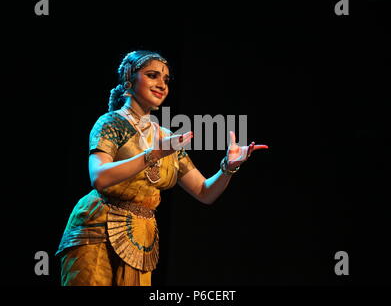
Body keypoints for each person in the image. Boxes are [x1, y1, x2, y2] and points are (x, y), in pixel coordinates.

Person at [56, 50, 268, 286]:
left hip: (139, 236)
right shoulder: (111, 123)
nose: (161, 84)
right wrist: (154, 153)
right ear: (129, 79)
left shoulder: (167, 138)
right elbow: (99, 177)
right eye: (152, 75)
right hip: (96, 230)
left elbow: (204, 191)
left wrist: (228, 168)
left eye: (165, 80)